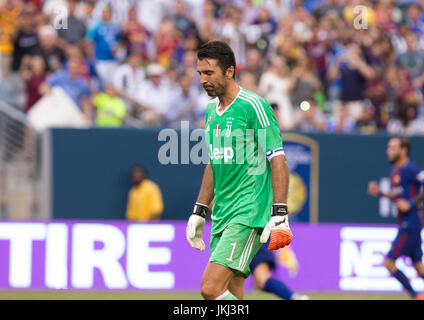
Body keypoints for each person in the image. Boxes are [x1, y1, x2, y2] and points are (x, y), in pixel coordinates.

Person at [186, 40, 292, 301]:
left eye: (209, 72)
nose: (203, 79)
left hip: (248, 213)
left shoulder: (254, 105)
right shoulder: (212, 110)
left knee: (210, 288)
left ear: (229, 71)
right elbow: (215, 161)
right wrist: (200, 210)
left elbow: (277, 158)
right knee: (231, 294)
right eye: (200, 73)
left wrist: (280, 211)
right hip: (222, 213)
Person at [367, 137, 424, 300]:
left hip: (411, 223)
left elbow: (408, 202)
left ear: (403, 150)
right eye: (388, 147)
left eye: (392, 148)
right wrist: (380, 193)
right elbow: (398, 197)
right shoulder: (395, 172)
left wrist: (412, 203)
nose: (388, 151)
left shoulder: (410, 169)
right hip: (407, 223)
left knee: (389, 262)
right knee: (419, 268)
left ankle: (415, 296)